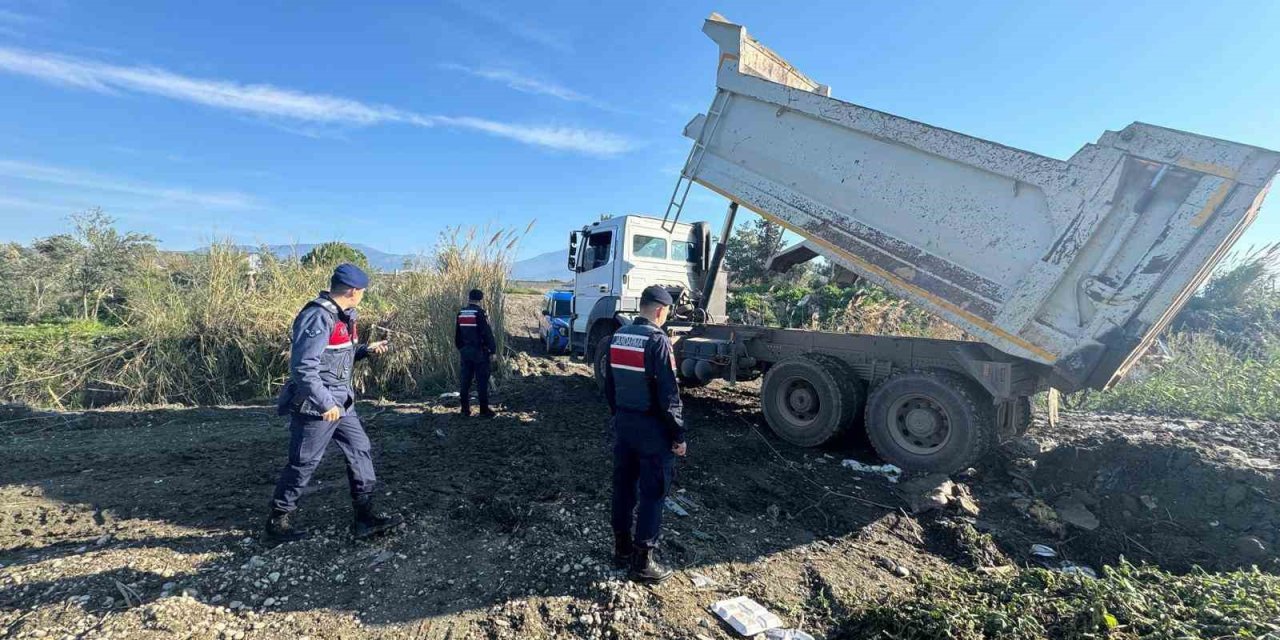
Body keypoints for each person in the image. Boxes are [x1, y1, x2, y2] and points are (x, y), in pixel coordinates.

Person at [265, 263, 404, 544]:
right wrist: (325, 403)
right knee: (304, 462)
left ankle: (364, 518)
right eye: (362, 291)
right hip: (318, 406)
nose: (363, 295)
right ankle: (277, 522)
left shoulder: (345, 316)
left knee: (360, 449)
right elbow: (304, 367)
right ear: (353, 291)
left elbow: (339, 355)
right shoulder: (317, 316)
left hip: (343, 403)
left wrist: (365, 350)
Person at [603, 285, 686, 583]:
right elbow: (668, 396)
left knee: (624, 487)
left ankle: (621, 549)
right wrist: (678, 436)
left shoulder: (617, 336)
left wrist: (619, 415)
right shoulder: (658, 341)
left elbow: (610, 385)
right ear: (661, 311)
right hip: (652, 431)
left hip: (624, 425)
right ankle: (642, 562)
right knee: (652, 493)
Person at [455, 288, 497, 418]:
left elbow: (457, 335)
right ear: (480, 300)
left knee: (465, 382)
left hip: (465, 352)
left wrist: (461, 348)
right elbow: (486, 333)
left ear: (469, 298)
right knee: (481, 382)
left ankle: (464, 410)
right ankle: (484, 410)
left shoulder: (461, 313)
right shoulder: (480, 313)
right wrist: (492, 350)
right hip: (480, 353)